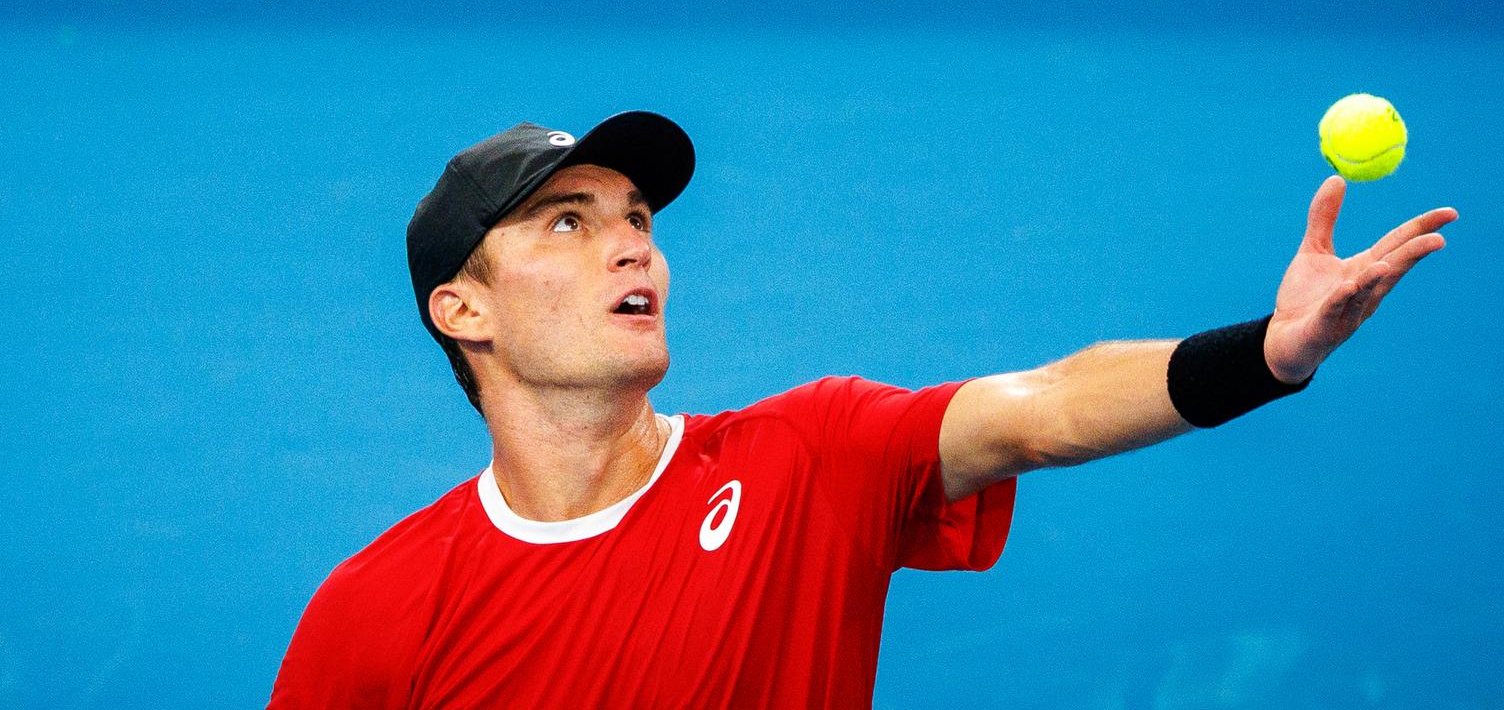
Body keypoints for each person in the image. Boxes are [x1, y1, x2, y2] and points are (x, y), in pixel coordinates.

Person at [265, 110, 1456, 709]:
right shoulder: (376, 610)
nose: (629, 244)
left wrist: (1269, 352)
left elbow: (1039, 409)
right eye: (567, 221)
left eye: (636, 217)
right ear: (463, 307)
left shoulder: (807, 456)